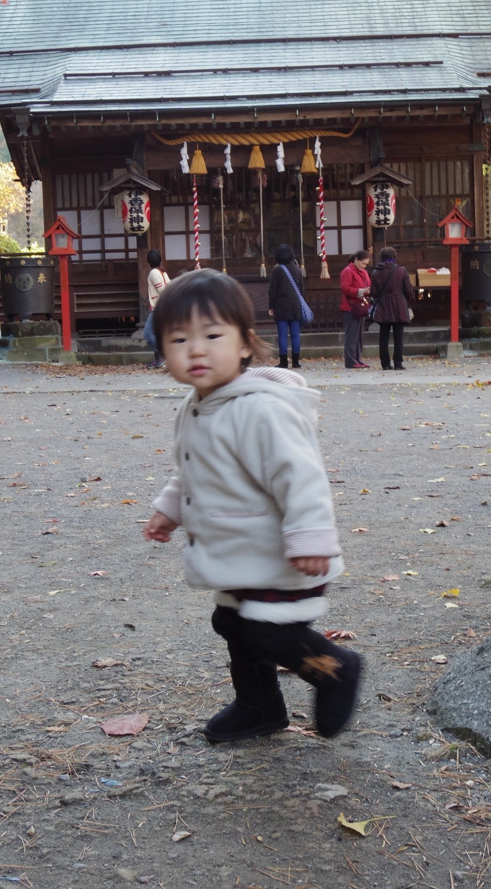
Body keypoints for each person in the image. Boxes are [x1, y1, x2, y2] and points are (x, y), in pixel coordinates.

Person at [142, 269, 361, 742]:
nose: (196, 349)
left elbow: (300, 476)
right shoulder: (198, 404)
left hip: (280, 555)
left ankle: (334, 669)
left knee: (269, 633)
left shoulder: (260, 409)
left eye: (213, 335)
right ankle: (259, 706)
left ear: (245, 344)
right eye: (179, 339)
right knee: (234, 624)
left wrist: (310, 538)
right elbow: (194, 469)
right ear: (163, 350)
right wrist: (169, 508)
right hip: (240, 555)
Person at [369, 246, 415, 371]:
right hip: (398, 305)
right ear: (394, 257)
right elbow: (408, 289)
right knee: (398, 336)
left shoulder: (375, 272)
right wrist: (406, 298)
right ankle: (398, 363)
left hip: (383, 306)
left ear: (381, 257)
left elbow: (373, 292)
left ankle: (385, 364)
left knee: (383, 336)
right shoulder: (401, 270)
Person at [268, 243, 305, 369]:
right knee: (295, 334)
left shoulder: (277, 270)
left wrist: (271, 306)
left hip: (281, 305)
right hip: (295, 305)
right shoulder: (297, 269)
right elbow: (301, 289)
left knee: (282, 334)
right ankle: (296, 361)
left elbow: (273, 290)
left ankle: (283, 361)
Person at [339, 250, 371, 369]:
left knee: (359, 336)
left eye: (366, 264)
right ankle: (351, 360)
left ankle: (358, 358)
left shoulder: (364, 272)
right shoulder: (347, 271)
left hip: (360, 305)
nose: (364, 266)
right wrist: (362, 291)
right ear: (356, 260)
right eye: (362, 263)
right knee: (351, 335)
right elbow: (345, 288)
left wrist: (368, 290)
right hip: (350, 306)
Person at [143, 249, 170, 369]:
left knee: (148, 333)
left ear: (148, 261)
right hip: (164, 306)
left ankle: (163, 355)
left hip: (158, 306)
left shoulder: (154, 273)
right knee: (156, 333)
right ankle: (158, 360)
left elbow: (162, 290)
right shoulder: (162, 271)